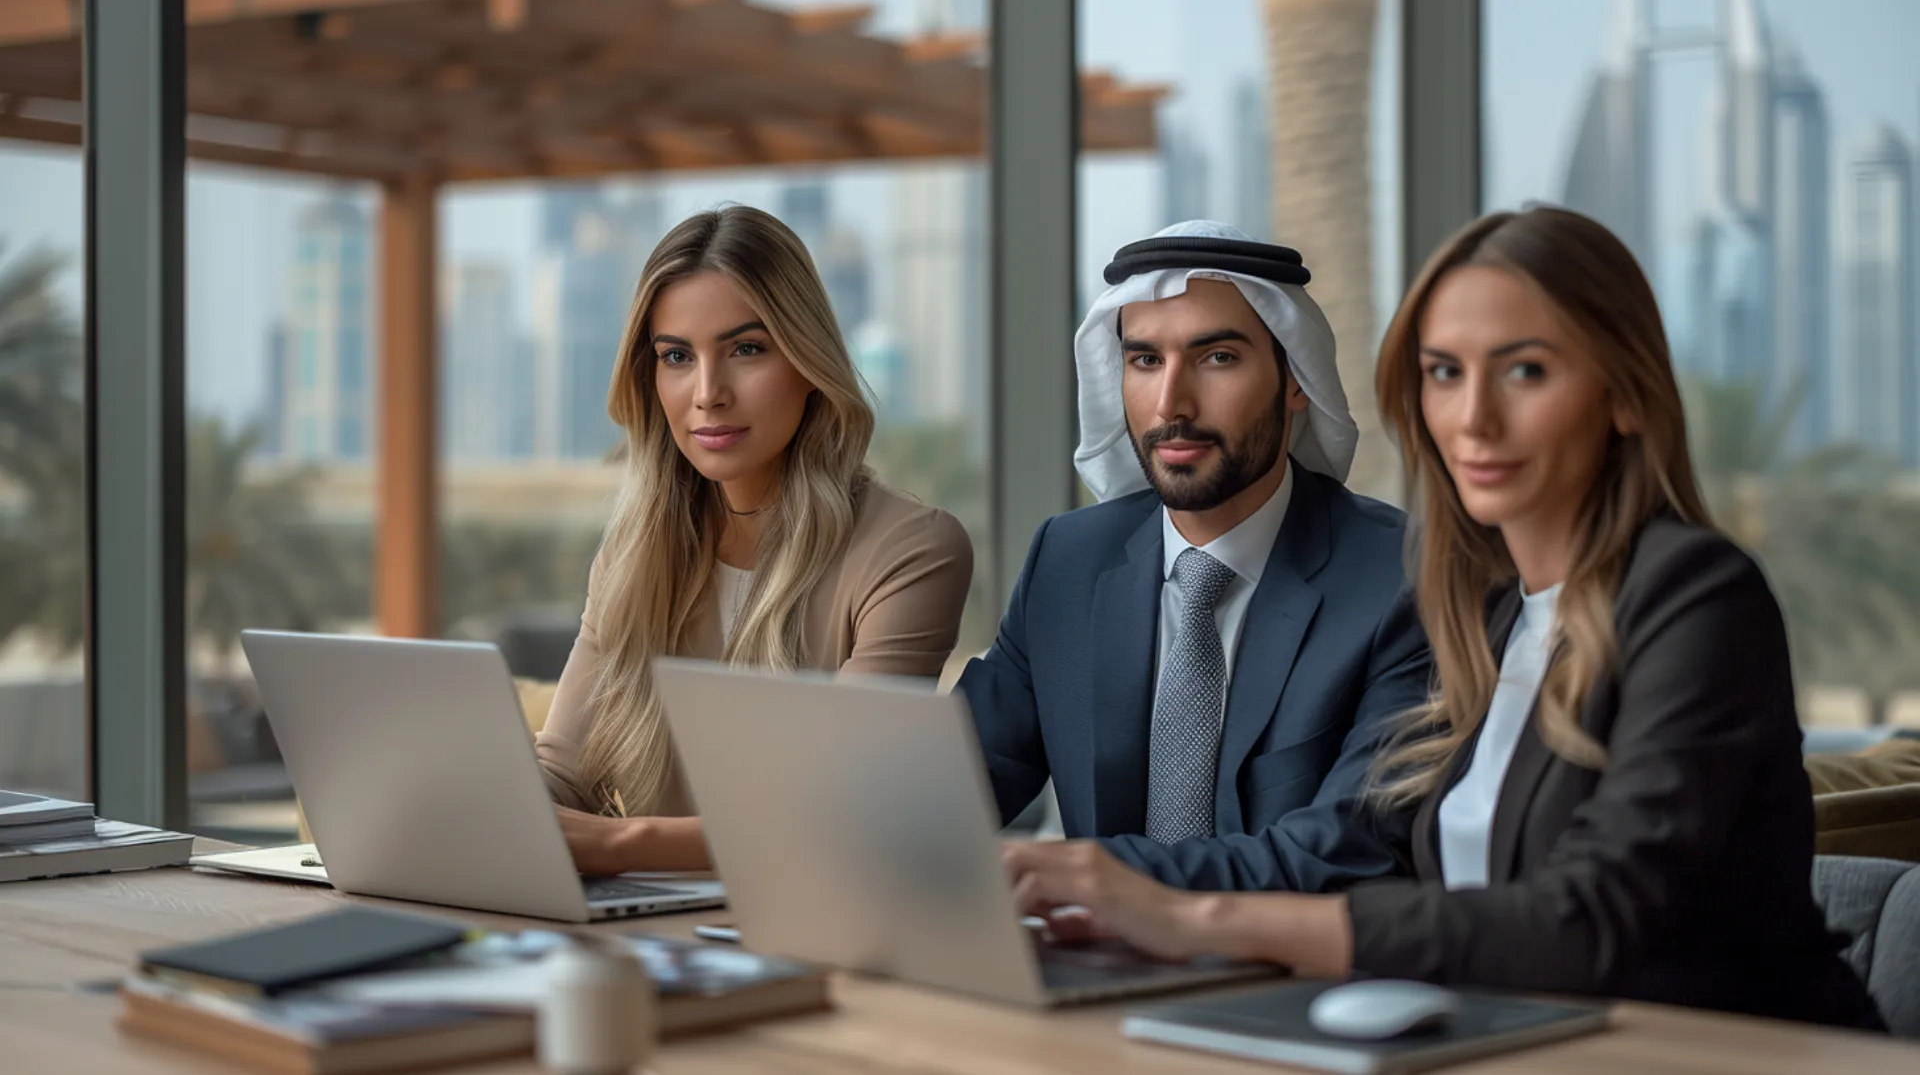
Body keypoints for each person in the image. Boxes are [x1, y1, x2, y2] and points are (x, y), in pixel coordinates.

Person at [1000, 206, 1885, 1030]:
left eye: (1525, 371)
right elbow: (1434, 873)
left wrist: (1184, 912)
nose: (1475, 418)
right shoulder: (1486, 614)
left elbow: (1586, 921)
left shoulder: (1695, 596)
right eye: (1445, 374)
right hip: (1513, 1038)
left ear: (1625, 395)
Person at [961, 221, 1431, 893]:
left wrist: (1097, 877)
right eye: (1145, 360)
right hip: (1093, 973)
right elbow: (953, 783)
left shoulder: (1402, 578)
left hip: (1294, 983)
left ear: (1295, 380)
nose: (1170, 404)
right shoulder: (1068, 561)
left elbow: (1344, 849)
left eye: (1217, 359)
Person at [536, 205, 973, 875]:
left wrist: (624, 845)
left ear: (806, 361)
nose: (708, 394)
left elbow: (841, 811)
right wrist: (488, 811)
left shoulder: (911, 552)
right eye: (677, 357)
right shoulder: (635, 554)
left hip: (817, 929)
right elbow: (562, 768)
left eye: (746, 349)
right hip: (647, 934)